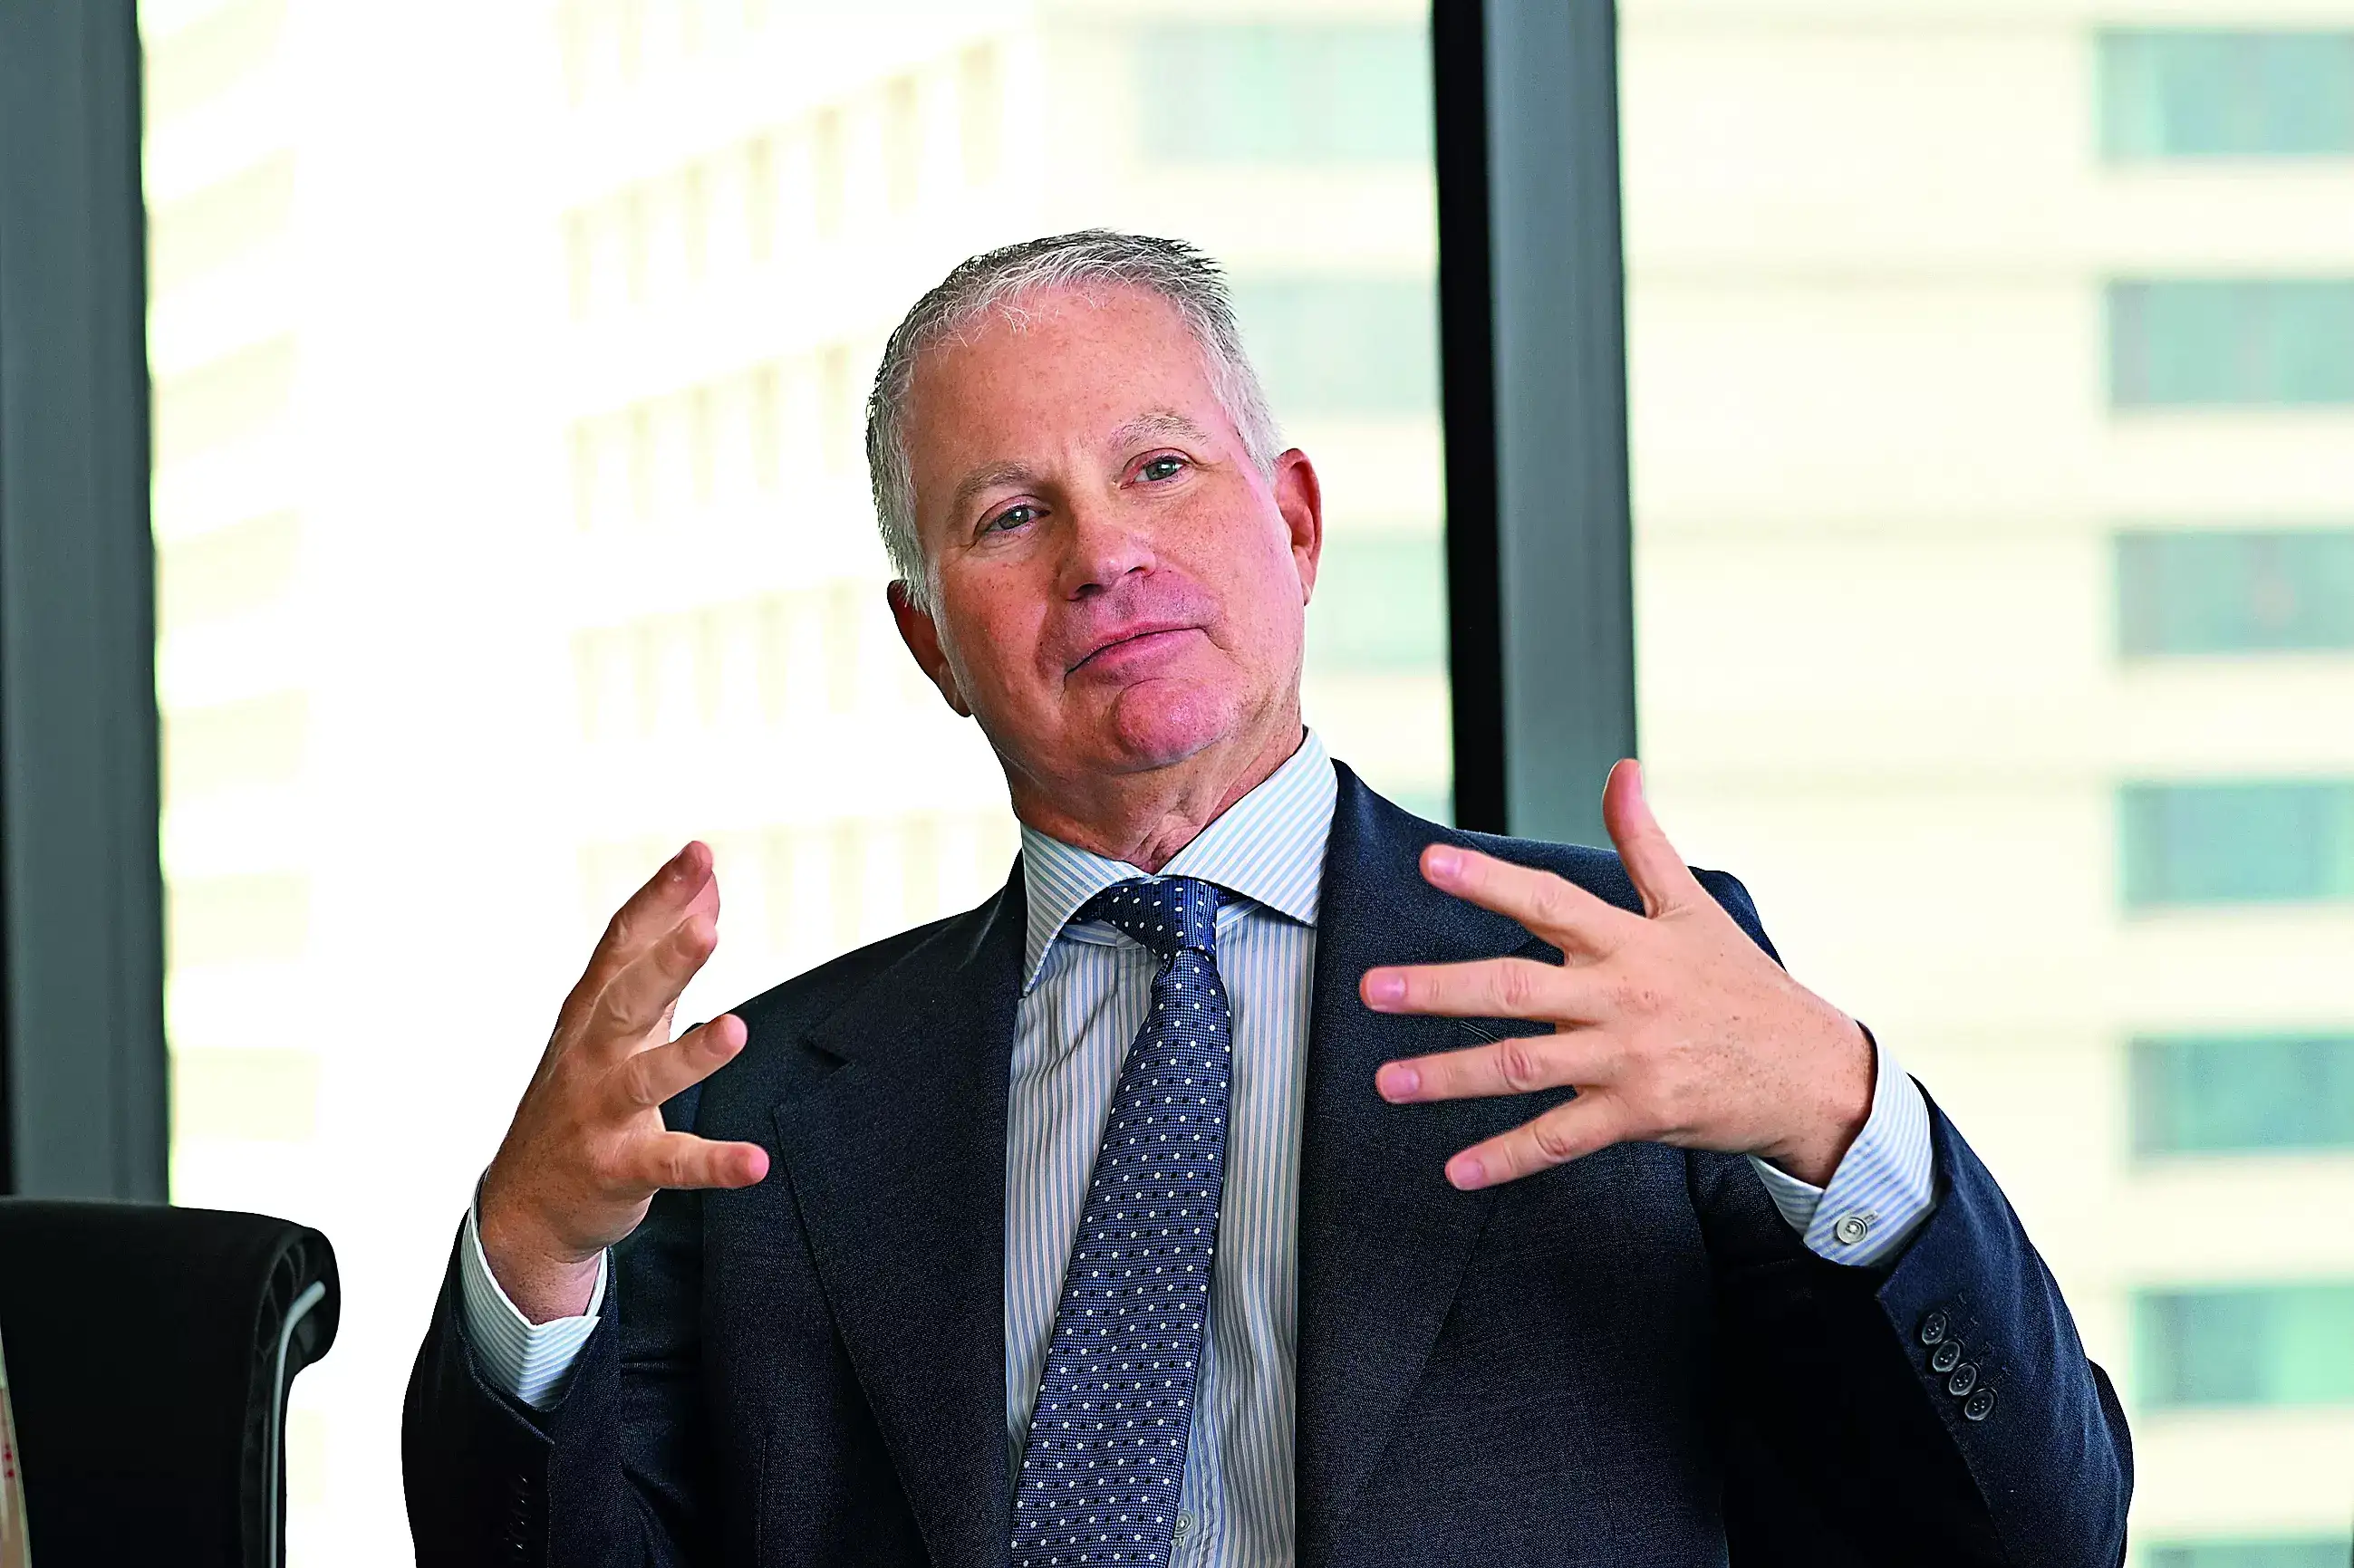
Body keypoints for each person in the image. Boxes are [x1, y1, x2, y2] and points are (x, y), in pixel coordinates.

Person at [404, 231, 2130, 1566]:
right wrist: (529, 1255)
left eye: (1160, 468)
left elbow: (2032, 1537)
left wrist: (1838, 1109)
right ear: (929, 640)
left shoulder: (1625, 988)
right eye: (1008, 515)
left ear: (1294, 523)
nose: (1104, 554)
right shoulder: (760, 1111)